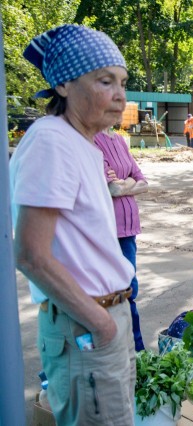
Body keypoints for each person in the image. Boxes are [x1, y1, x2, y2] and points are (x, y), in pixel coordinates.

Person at [10, 24, 136, 424]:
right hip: (86, 325)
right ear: (64, 84)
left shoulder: (84, 143)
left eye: (123, 82)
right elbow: (30, 255)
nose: (120, 95)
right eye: (105, 81)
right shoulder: (52, 141)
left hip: (101, 320)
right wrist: (100, 323)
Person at [95, 127, 149, 351]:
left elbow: (144, 182)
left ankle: (136, 351)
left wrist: (125, 183)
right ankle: (132, 350)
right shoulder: (94, 140)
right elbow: (112, 188)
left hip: (129, 229)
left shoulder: (119, 139)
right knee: (118, 291)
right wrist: (128, 184)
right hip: (110, 230)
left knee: (130, 290)